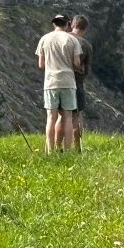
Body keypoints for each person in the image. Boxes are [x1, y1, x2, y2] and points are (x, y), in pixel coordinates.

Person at [35, 14, 82, 153]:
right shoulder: (72, 40)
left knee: (51, 117)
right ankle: (67, 150)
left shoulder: (44, 39)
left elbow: (41, 64)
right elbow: (77, 63)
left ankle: (50, 150)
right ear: (68, 24)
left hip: (51, 82)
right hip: (68, 81)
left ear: (54, 24)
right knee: (67, 117)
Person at [70, 15, 93, 152]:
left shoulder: (63, 38)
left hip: (59, 80)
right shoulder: (86, 45)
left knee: (58, 116)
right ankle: (77, 147)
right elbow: (87, 70)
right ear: (85, 28)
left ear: (73, 24)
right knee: (77, 116)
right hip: (77, 83)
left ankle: (56, 146)